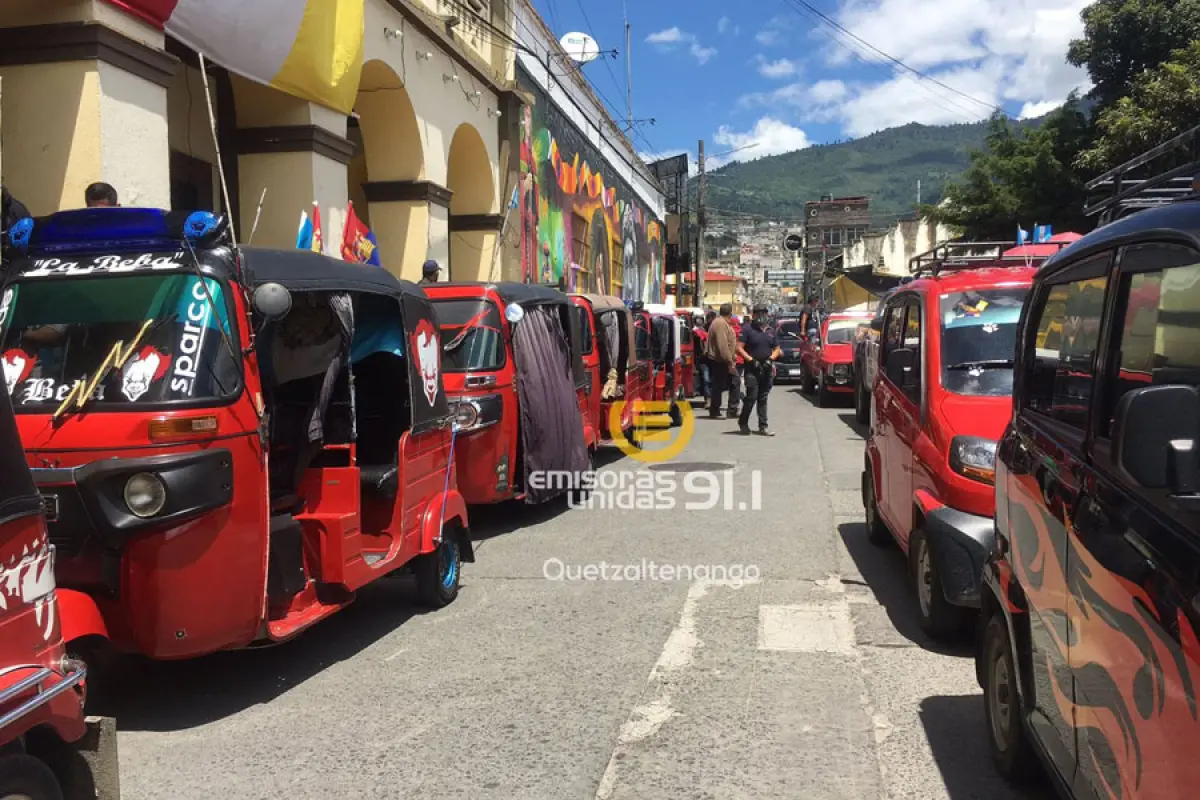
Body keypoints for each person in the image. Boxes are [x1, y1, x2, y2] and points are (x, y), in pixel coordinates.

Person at [736, 303, 782, 436]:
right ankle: (743, 422)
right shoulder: (747, 330)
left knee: (763, 397)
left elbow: (777, 348)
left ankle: (763, 426)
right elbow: (739, 348)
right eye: (759, 313)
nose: (762, 315)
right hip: (752, 368)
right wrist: (750, 360)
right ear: (754, 315)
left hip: (766, 368)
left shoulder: (770, 330)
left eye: (764, 313)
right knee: (752, 397)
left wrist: (771, 359)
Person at [704, 304, 738, 419]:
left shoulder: (721, 323)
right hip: (721, 360)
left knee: (725, 384)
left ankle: (724, 409)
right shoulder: (720, 324)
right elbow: (722, 345)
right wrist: (729, 361)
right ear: (730, 313)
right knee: (731, 383)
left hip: (723, 360)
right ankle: (725, 409)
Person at [727, 314, 744, 418]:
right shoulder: (740, 332)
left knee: (733, 384)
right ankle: (733, 408)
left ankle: (732, 408)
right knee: (735, 384)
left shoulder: (728, 331)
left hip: (733, 361)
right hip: (738, 361)